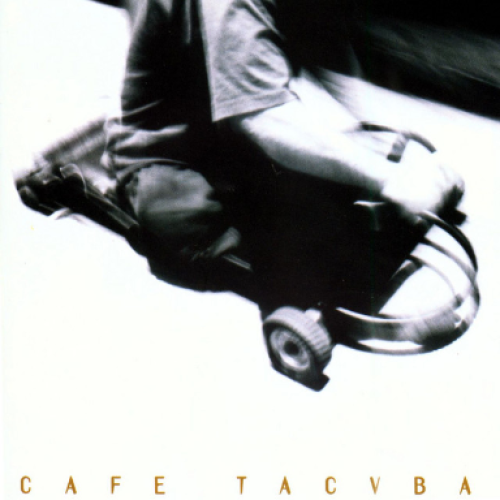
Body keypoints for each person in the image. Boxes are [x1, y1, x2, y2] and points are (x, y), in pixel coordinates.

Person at [104, 0, 464, 273]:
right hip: (171, 154)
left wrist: (367, 139)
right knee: (200, 231)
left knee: (339, 180)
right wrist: (388, 178)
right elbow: (263, 120)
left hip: (229, 127)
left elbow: (320, 51)